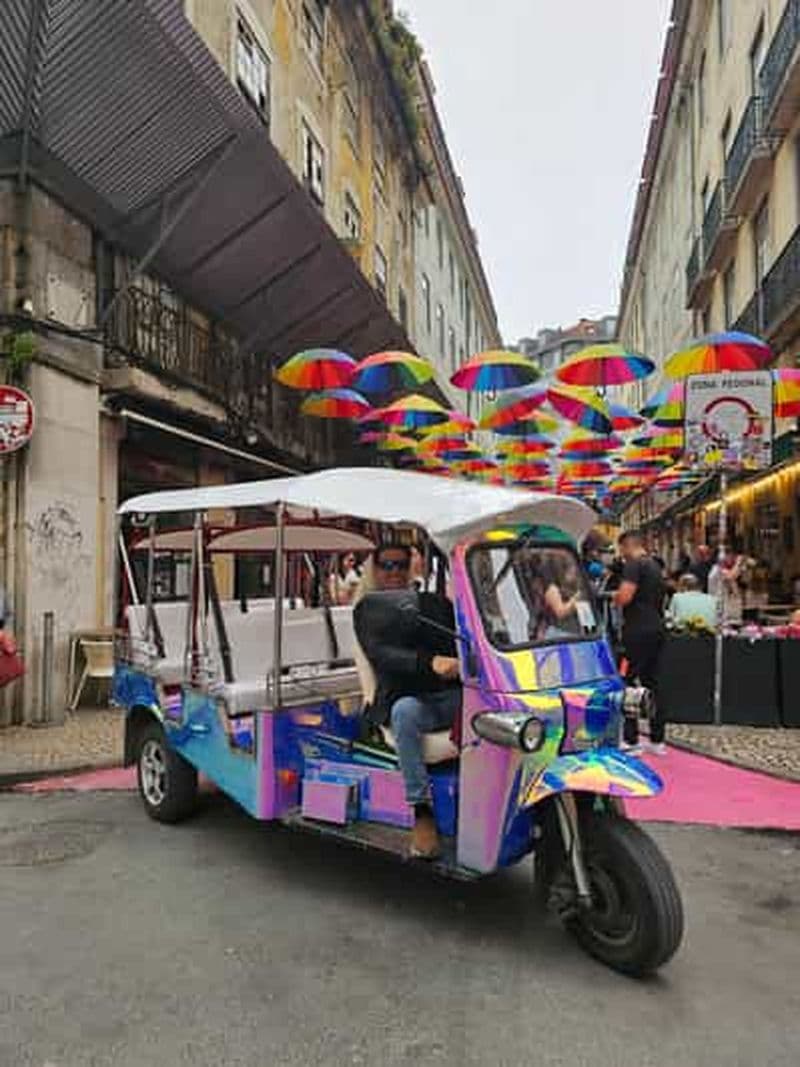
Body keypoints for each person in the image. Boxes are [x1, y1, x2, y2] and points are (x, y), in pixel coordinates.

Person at [353, 542, 461, 859]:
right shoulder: (368, 609)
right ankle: (421, 810)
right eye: (386, 565)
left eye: (400, 564)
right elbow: (383, 654)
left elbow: (453, 634)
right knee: (405, 712)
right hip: (407, 698)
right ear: (375, 569)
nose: (394, 572)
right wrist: (428, 662)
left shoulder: (430, 602)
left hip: (446, 693)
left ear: (412, 566)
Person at [613, 530, 667, 754]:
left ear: (627, 546)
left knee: (625, 680)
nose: (621, 554)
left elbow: (625, 596)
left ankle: (630, 738)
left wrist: (613, 597)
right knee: (652, 682)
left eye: (621, 549)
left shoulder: (633, 565)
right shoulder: (655, 566)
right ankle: (657, 739)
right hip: (656, 628)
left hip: (636, 631)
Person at [708, 549, 746, 626]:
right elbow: (730, 576)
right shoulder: (717, 569)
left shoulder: (724, 570)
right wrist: (738, 563)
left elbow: (734, 576)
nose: (732, 559)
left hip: (726, 610)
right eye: (730, 556)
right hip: (719, 609)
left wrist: (741, 566)